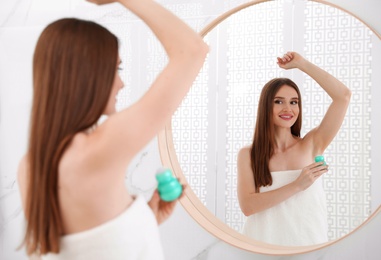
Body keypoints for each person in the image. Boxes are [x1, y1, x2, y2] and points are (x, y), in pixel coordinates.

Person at [16, 0, 208, 258]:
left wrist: (144, 220)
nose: (122, 83)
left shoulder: (29, 166)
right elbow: (192, 49)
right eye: (116, 69)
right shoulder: (100, 146)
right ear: (88, 74)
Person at [237, 51, 351, 246]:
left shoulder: (313, 143)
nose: (288, 109)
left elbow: (343, 96)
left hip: (307, 246)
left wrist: (302, 64)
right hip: (261, 246)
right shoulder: (248, 154)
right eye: (279, 101)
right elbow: (248, 206)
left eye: (294, 102)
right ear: (266, 106)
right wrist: (298, 185)